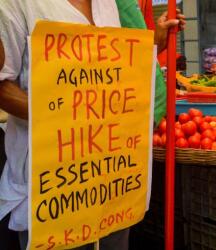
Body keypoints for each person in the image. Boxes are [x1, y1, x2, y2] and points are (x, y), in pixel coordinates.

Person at [0, 1, 184, 249]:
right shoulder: (15, 4)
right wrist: (68, 114)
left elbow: (113, 69)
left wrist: (153, 44)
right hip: (53, 195)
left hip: (112, 188)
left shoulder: (108, 3)